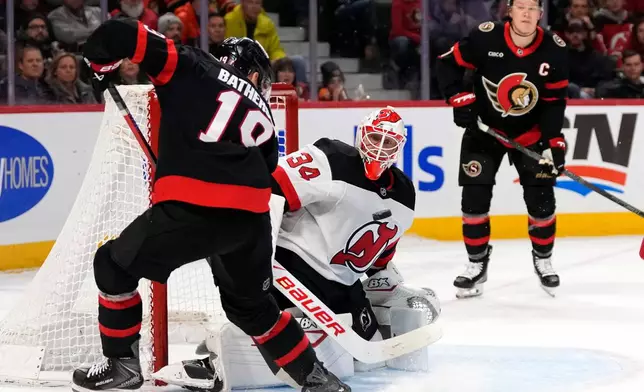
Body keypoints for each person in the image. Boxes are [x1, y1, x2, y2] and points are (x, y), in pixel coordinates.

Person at [73, 18, 348, 392]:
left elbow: (121, 33)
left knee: (112, 265)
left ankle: (121, 365)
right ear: (251, 71)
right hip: (251, 220)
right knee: (253, 307)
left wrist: (98, 63)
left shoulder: (193, 64)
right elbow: (265, 167)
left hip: (195, 210)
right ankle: (317, 380)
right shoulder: (261, 109)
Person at [150, 107, 441, 391]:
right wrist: (259, 249)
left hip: (342, 283)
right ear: (361, 135)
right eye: (375, 138)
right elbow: (273, 187)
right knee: (308, 347)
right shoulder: (332, 158)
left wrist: (387, 281)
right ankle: (219, 362)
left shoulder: (404, 194)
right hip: (294, 266)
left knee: (368, 359)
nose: (379, 148)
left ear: (399, 147)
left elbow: (383, 253)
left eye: (388, 142)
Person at [435, 0, 569, 298]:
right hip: (485, 131)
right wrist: (458, 98)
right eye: (520, 6)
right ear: (509, 10)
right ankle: (476, 264)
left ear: (540, 13)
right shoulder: (485, 37)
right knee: (474, 198)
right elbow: (446, 64)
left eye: (532, 8)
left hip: (530, 135)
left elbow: (553, 102)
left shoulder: (555, 49)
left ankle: (544, 259)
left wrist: (555, 143)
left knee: (541, 200)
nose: (526, 13)